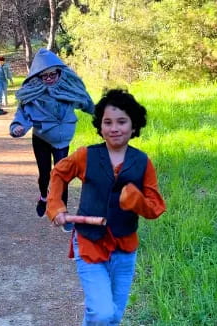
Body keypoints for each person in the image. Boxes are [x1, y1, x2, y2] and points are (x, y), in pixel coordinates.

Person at [46, 89, 166, 325]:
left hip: (125, 247)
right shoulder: (86, 156)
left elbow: (155, 208)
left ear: (134, 126)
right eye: (108, 122)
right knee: (102, 312)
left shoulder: (142, 162)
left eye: (122, 122)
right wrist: (56, 207)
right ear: (100, 126)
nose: (114, 128)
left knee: (113, 317)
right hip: (90, 243)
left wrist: (136, 200)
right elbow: (58, 173)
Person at [9, 48, 94, 232]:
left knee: (62, 175)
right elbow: (22, 115)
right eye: (44, 76)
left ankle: (63, 213)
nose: (48, 79)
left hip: (62, 142)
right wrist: (17, 128)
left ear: (59, 72)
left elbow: (86, 102)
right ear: (37, 77)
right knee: (45, 174)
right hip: (40, 138)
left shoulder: (68, 89)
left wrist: (101, 114)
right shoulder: (33, 94)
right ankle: (43, 196)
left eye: (52, 75)